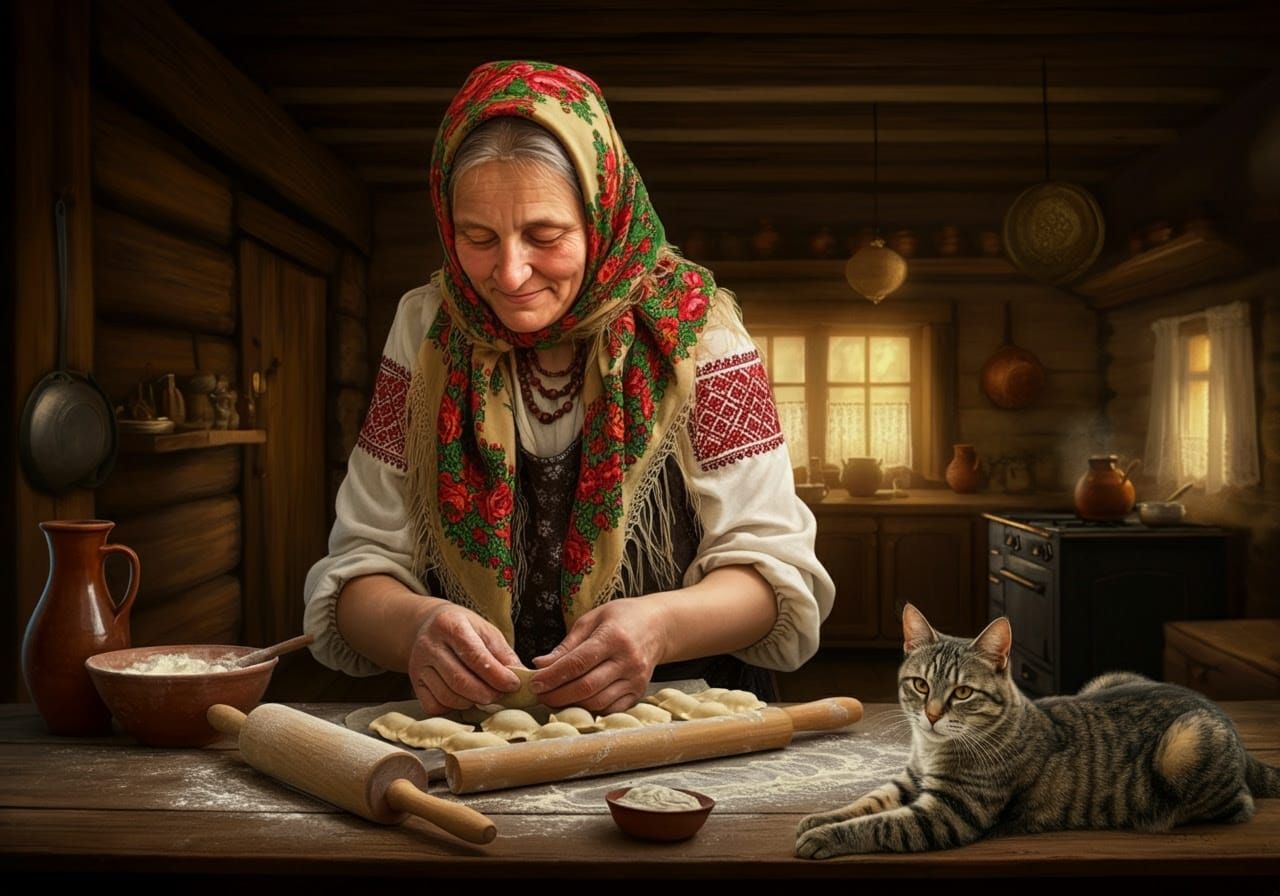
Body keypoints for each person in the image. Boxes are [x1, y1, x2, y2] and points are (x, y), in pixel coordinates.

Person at [303, 60, 834, 717]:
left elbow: (776, 579)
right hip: (484, 731)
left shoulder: (698, 329)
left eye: (545, 235)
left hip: (682, 726)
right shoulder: (427, 329)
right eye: (477, 237)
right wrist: (413, 626)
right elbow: (358, 569)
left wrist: (659, 627)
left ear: (602, 213)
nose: (510, 271)